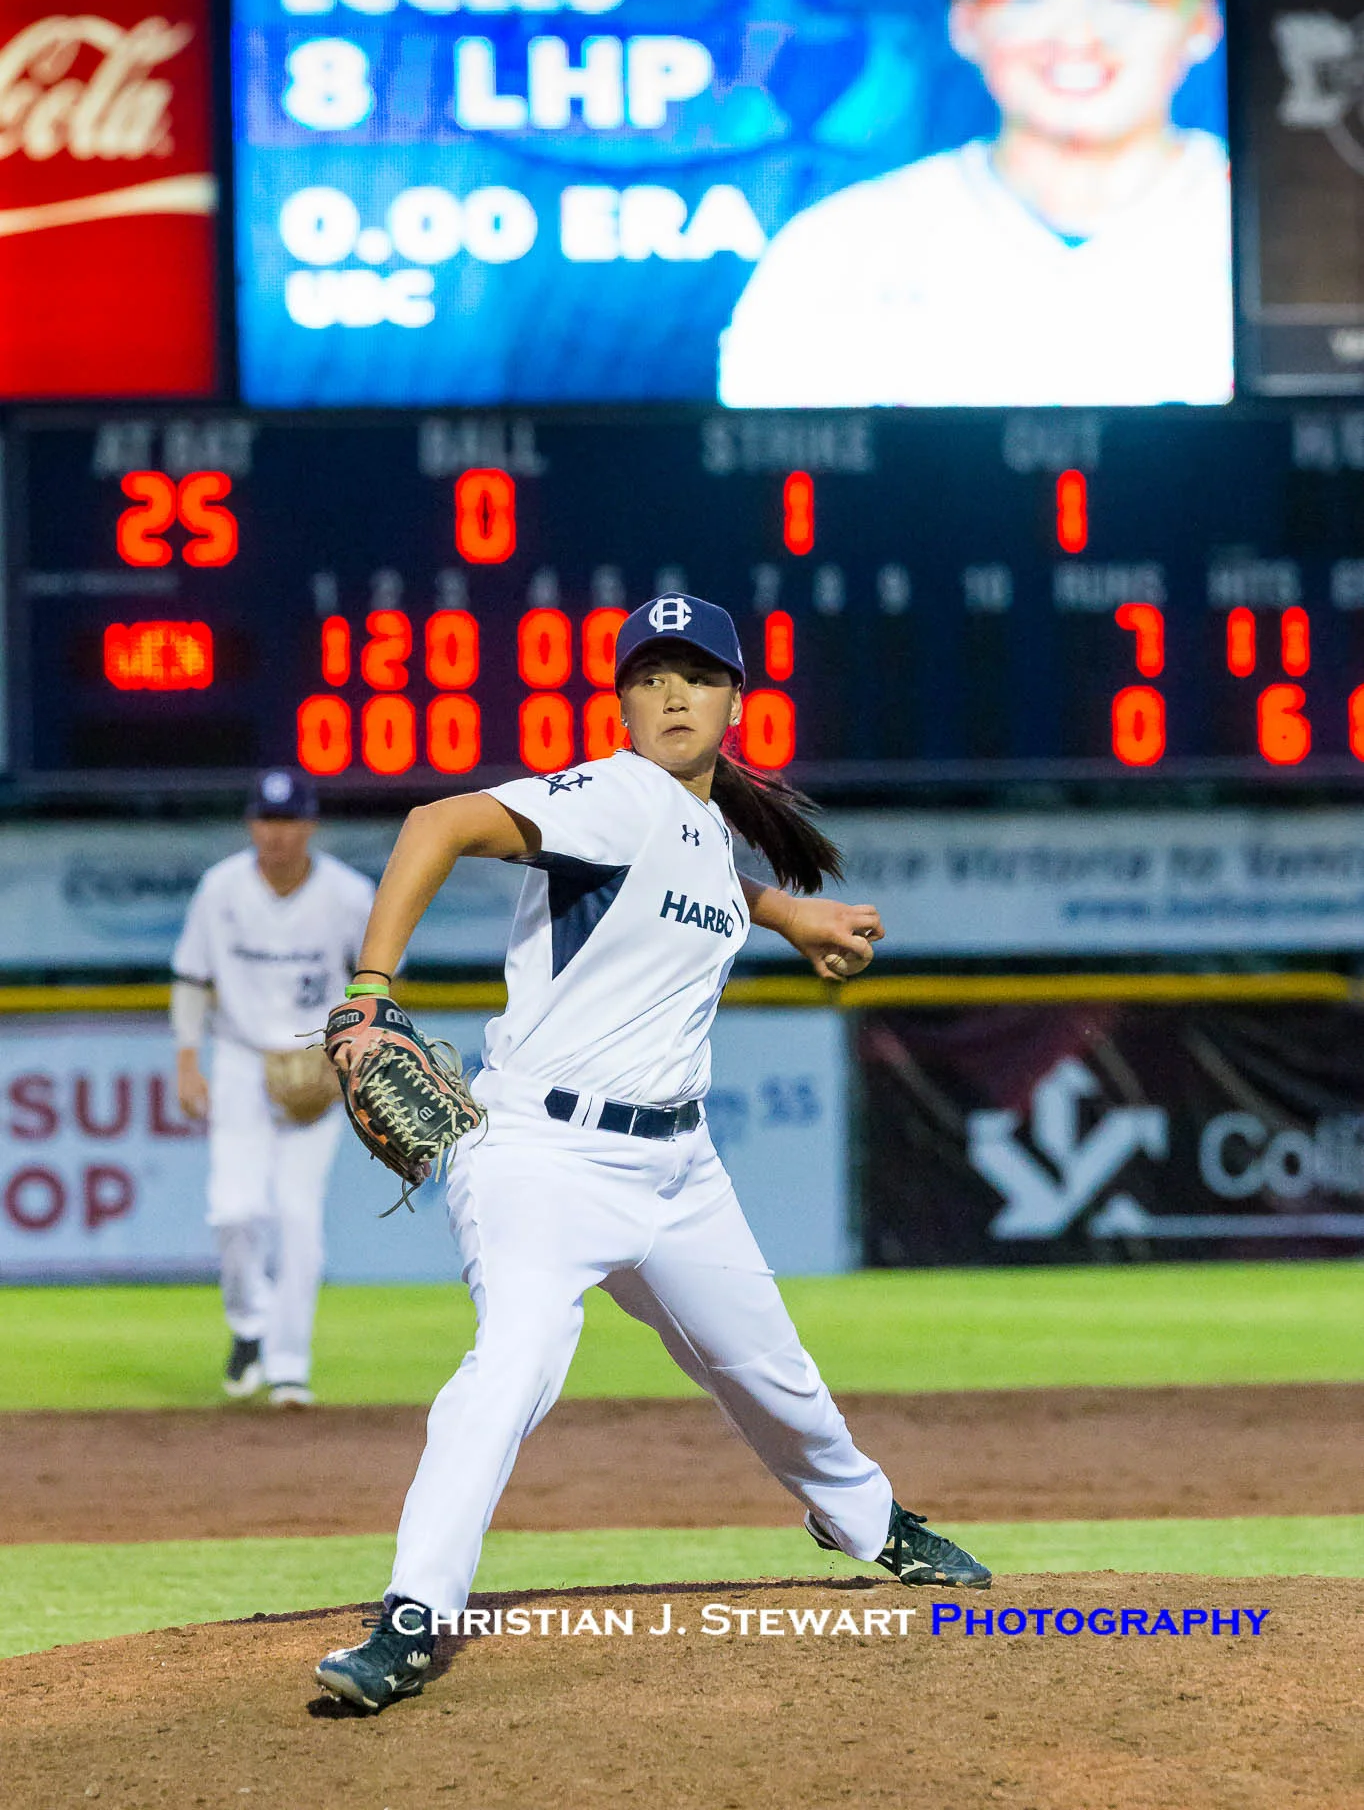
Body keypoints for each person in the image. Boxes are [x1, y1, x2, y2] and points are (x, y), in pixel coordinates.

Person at [315, 594, 990, 1714]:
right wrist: (373, 989)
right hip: (544, 1159)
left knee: (774, 1375)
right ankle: (412, 1615)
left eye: (697, 673)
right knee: (512, 1369)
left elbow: (700, 875)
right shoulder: (608, 791)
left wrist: (788, 915)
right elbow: (433, 821)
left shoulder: (703, 827)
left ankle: (869, 1521)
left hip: (679, 1175)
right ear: (622, 697)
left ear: (735, 699)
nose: (672, 692)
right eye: (649, 674)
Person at [719, 0, 1232, 408]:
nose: (1079, 36)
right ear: (965, 24)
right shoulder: (840, 250)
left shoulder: (1281, 230)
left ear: (1203, 24)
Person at [172, 769, 375, 1407]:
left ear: (311, 824)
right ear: (250, 824)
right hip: (238, 1058)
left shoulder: (348, 894)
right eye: (266, 819)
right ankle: (249, 1326)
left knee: (298, 1219)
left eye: (288, 820)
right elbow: (192, 977)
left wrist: (354, 1056)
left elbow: (373, 981)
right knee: (234, 1212)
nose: (276, 833)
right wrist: (186, 1059)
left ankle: (289, 1366)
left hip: (317, 1066)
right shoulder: (221, 889)